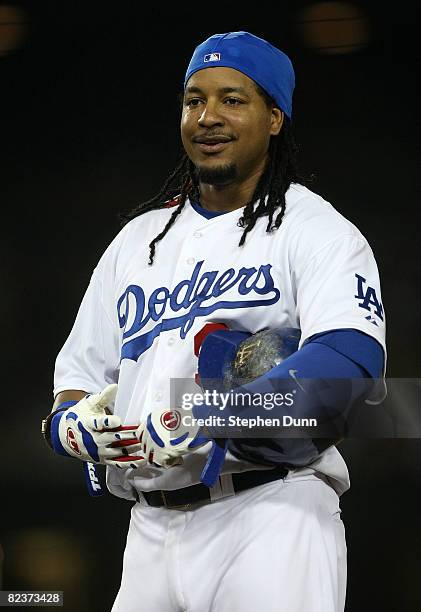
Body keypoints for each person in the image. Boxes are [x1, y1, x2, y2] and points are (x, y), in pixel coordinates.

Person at [43, 31, 386, 611]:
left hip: (269, 513)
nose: (208, 117)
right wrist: (75, 429)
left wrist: (205, 416)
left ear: (274, 117)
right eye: (193, 100)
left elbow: (345, 374)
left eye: (233, 99)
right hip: (148, 529)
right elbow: (74, 383)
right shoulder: (137, 242)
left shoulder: (315, 229)